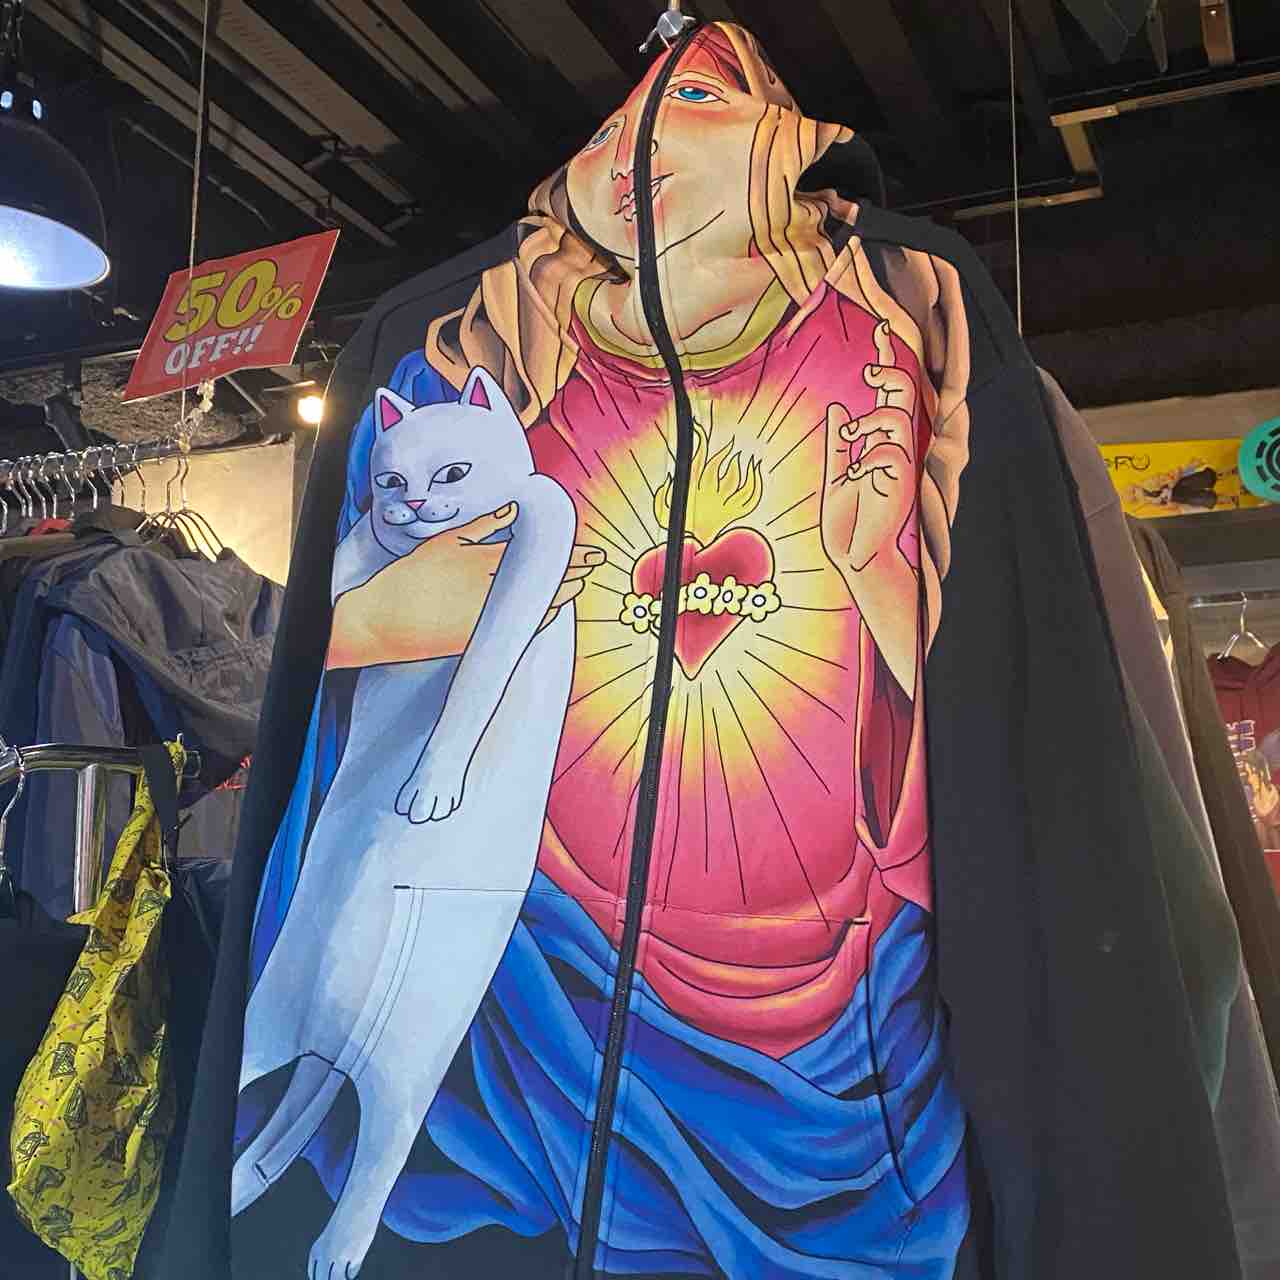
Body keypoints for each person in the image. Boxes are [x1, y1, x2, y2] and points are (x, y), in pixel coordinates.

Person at [239, 23, 975, 1278]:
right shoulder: (455, 339)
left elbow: (994, 715)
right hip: (500, 989)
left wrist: (869, 565)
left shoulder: (906, 313)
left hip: (842, 1066)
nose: (664, 133)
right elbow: (330, 688)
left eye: (711, 97)